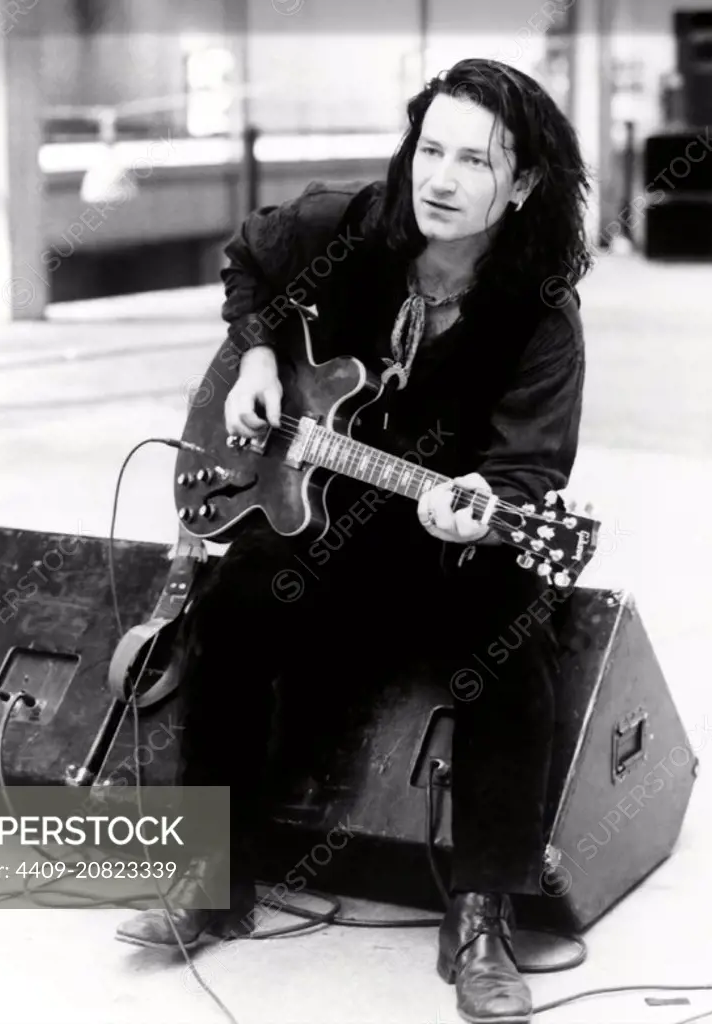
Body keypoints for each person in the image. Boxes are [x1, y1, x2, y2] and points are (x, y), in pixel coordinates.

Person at [116, 57, 592, 1024]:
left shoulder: (540, 317)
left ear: (526, 184)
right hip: (311, 519)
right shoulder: (344, 225)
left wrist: (479, 503)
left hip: (437, 541)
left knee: (514, 636)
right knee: (237, 604)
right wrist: (256, 354)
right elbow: (248, 257)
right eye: (432, 150)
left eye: (475, 162)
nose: (442, 180)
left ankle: (482, 911)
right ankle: (211, 875)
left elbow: (530, 477)